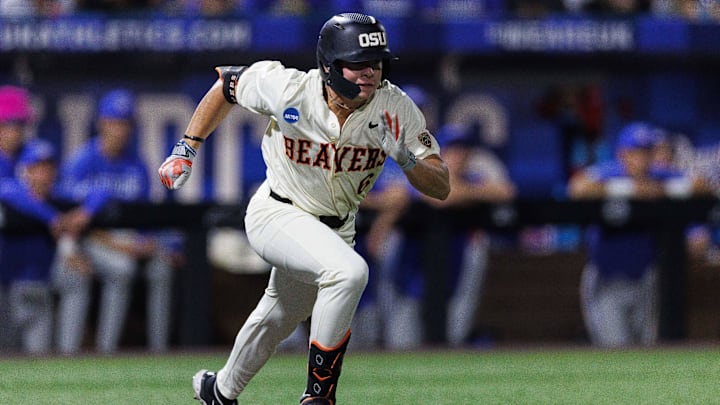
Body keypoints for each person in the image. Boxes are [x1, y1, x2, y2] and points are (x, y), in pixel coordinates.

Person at [158, 12, 450, 405]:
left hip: (335, 228)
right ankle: (319, 395)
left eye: (376, 63)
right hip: (277, 211)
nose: (369, 74)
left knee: (278, 316)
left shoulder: (395, 108)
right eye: (357, 64)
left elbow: (442, 185)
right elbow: (226, 84)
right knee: (348, 273)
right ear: (329, 67)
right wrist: (186, 147)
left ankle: (219, 391)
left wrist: (408, 161)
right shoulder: (288, 88)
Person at [568, 121, 711, 348]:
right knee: (615, 350)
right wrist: (630, 189)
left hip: (646, 280)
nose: (642, 159)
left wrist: (663, 190)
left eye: (647, 152)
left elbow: (702, 186)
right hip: (607, 279)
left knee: (647, 352)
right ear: (622, 154)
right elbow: (578, 187)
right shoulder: (610, 172)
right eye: (636, 152)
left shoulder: (659, 176)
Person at [55, 88, 174, 354]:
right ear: (101, 123)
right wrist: (118, 245)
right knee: (122, 269)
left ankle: (161, 352)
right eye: (114, 122)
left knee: (162, 268)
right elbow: (70, 222)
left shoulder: (136, 164)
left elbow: (142, 216)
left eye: (125, 123)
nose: (120, 129)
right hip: (92, 240)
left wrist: (145, 242)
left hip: (128, 238)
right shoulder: (81, 161)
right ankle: (106, 352)